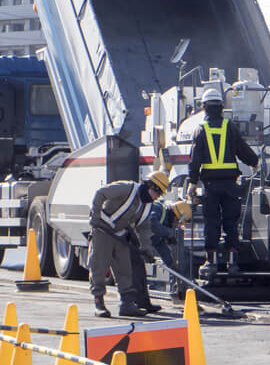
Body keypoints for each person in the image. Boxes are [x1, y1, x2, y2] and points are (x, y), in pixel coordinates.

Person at [186, 88, 258, 278]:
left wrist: (192, 182)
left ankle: (211, 263)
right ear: (221, 107)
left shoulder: (201, 129)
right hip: (230, 184)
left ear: (204, 107)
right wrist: (254, 162)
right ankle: (233, 264)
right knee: (231, 223)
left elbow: (195, 159)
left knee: (212, 223)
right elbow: (242, 149)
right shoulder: (230, 127)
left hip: (210, 186)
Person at [88, 170, 169, 317]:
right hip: (103, 231)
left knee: (125, 271)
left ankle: (127, 305)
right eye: (157, 193)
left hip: (120, 235)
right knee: (99, 267)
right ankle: (99, 304)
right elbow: (100, 193)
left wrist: (146, 248)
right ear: (150, 186)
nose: (157, 197)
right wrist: (95, 214)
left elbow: (144, 227)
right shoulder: (127, 188)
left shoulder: (147, 205)